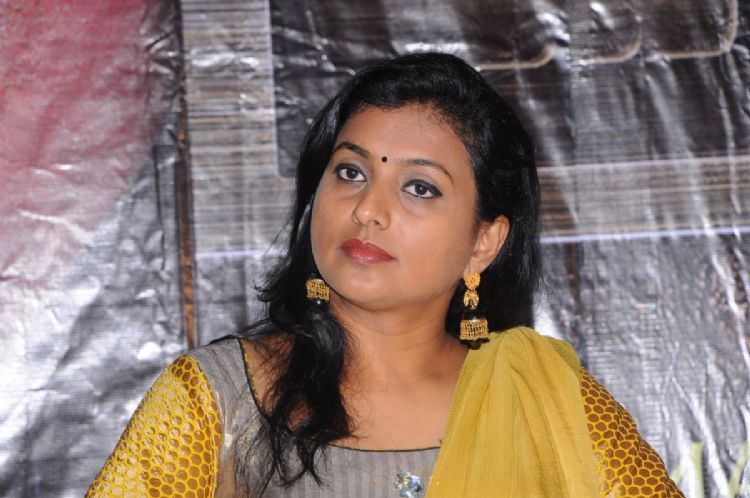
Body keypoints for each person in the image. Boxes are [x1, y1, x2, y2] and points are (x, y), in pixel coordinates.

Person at [87, 52, 683, 497]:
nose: (369, 209)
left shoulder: (549, 403)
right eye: (350, 173)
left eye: (419, 187)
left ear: (483, 242)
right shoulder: (214, 401)